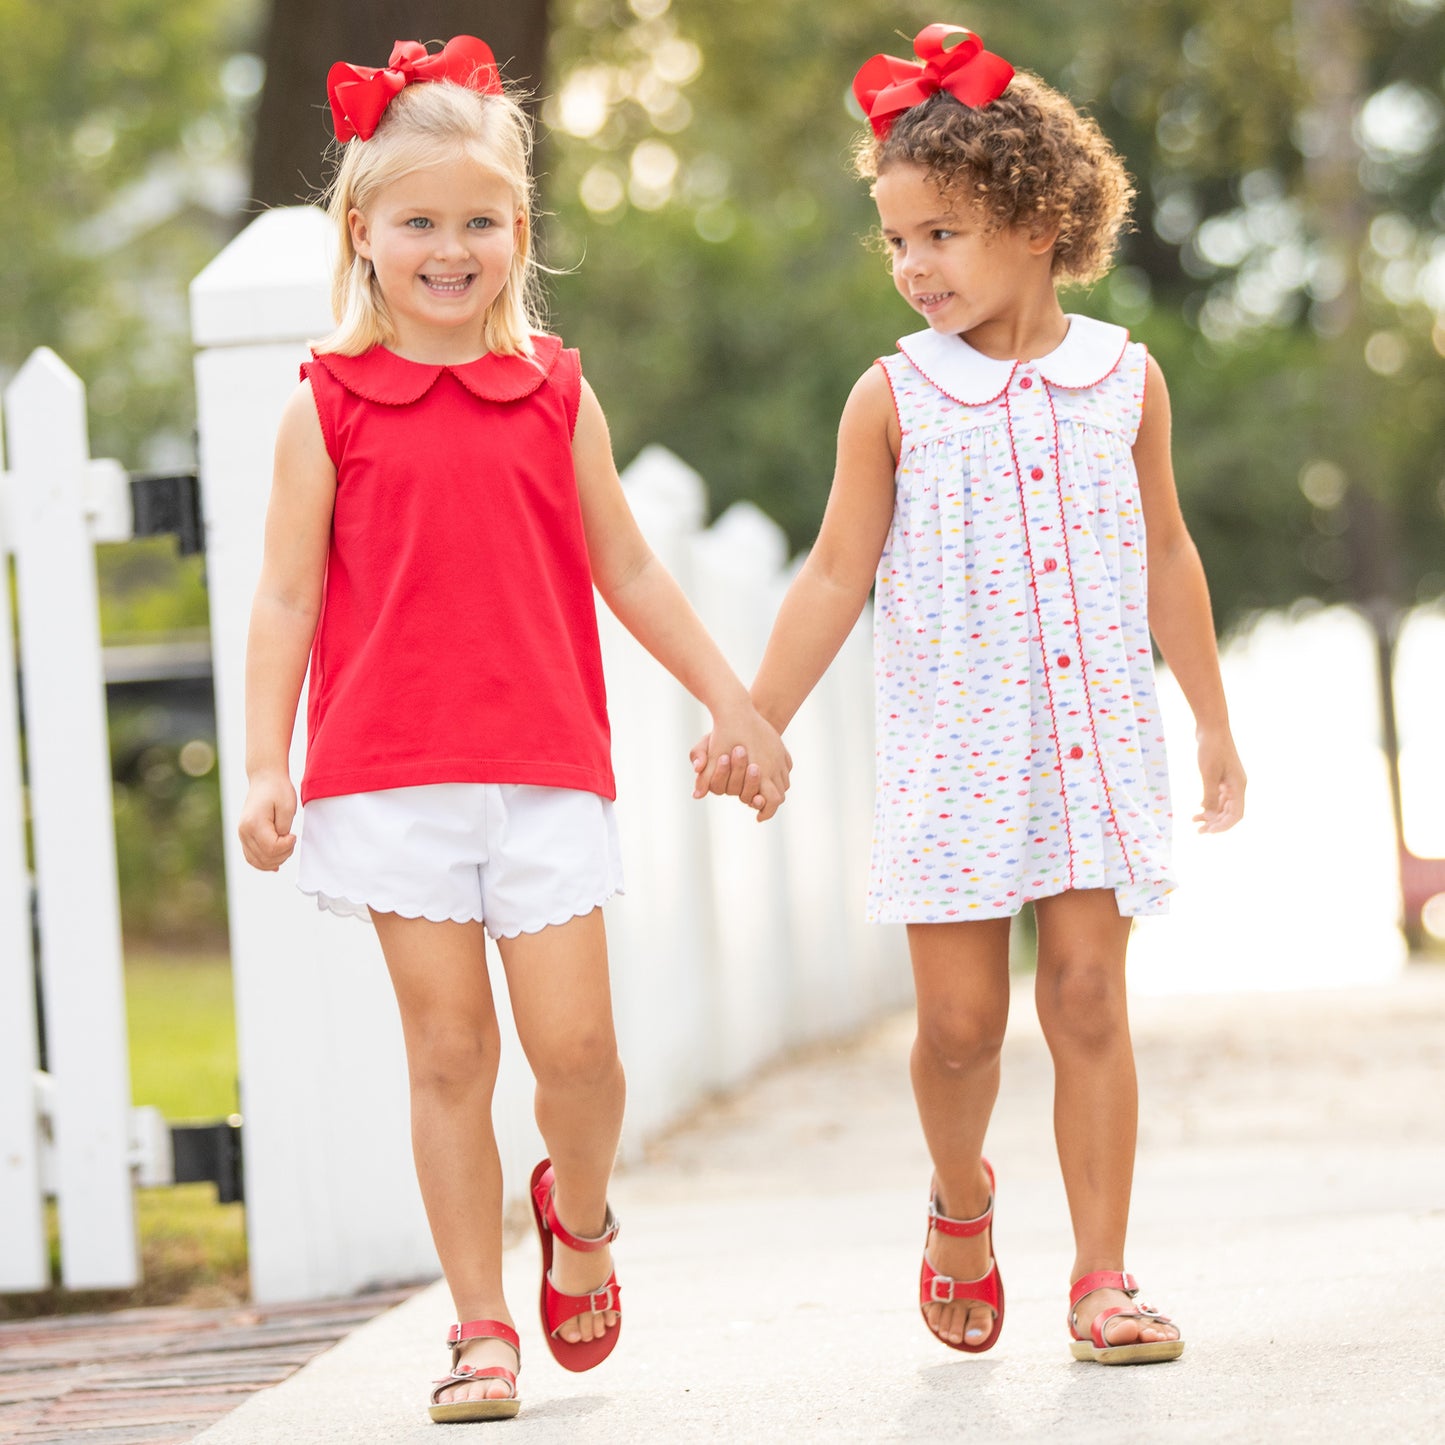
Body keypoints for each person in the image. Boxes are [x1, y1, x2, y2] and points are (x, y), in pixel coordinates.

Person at [236, 36, 790, 1423]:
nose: (448, 246)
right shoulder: (326, 403)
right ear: (361, 232)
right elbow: (286, 595)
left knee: (580, 1057)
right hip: (383, 778)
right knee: (446, 1053)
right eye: (417, 220)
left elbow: (634, 568)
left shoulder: (555, 391)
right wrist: (262, 760)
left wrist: (734, 699)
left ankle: (580, 1216)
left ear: (517, 232)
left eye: (477, 220)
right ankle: (480, 1324)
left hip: (544, 772)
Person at [695, 23, 1244, 1365]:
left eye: (938, 233)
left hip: (1091, 743)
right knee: (956, 1028)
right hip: (955, 752)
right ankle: (959, 1198)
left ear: (1036, 218)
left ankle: (1102, 1278)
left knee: (1087, 1001)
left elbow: (1166, 550)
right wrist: (754, 711)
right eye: (895, 240)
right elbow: (831, 575)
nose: (912, 265)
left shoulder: (1123, 377)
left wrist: (1210, 719)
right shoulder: (892, 396)